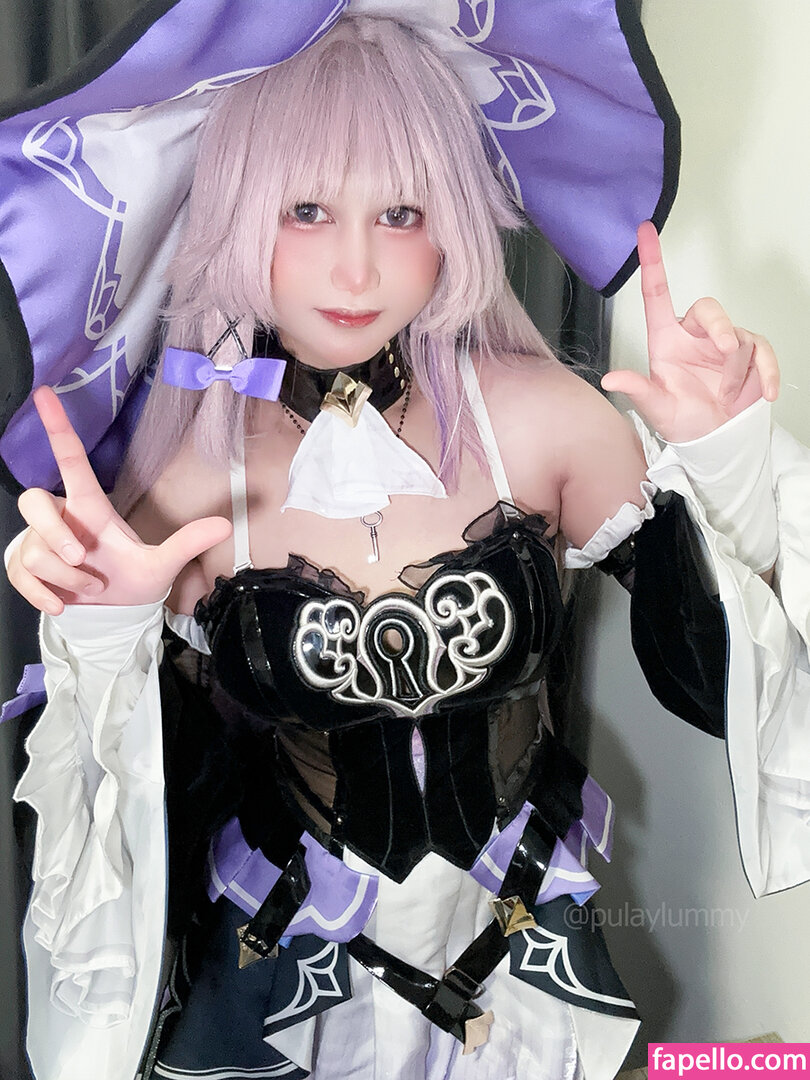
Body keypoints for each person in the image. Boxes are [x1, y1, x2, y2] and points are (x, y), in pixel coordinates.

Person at [3, 11, 809, 1080]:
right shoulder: (186, 485)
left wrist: (728, 466)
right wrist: (102, 640)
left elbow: (722, 683)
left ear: (453, 223)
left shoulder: (546, 423)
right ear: (236, 209)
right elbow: (134, 816)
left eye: (400, 211)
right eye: (306, 209)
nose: (355, 269)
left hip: (522, 958)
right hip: (280, 969)